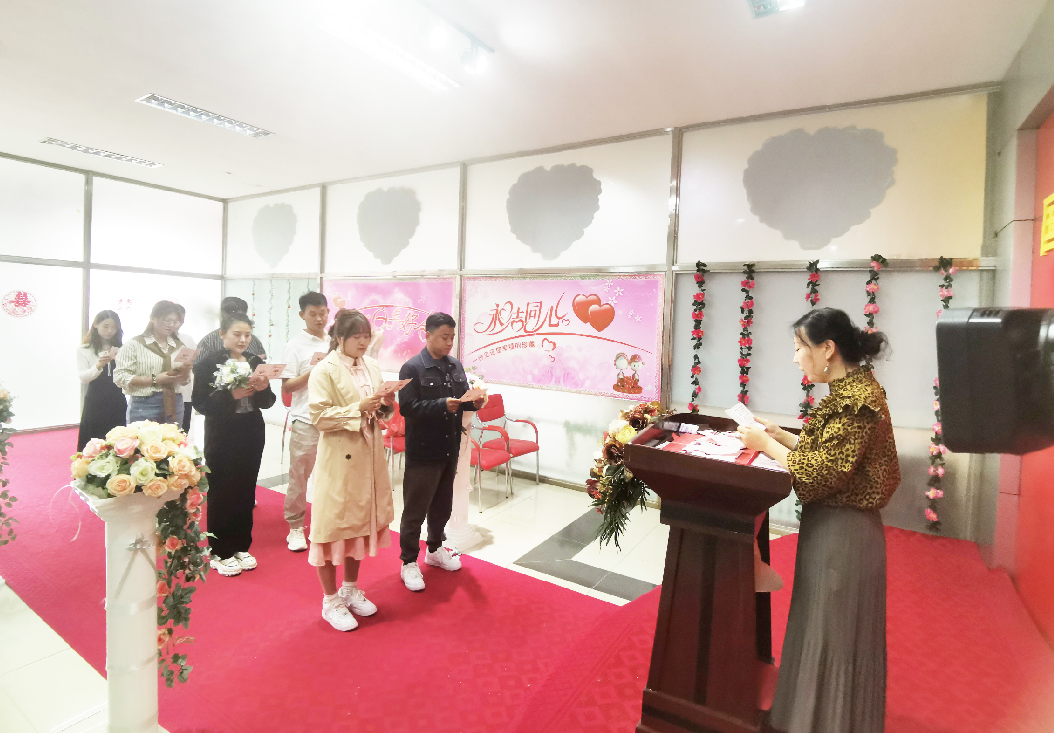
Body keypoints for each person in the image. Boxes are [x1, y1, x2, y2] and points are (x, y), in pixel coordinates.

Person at [736, 307, 899, 733]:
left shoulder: (858, 402)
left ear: (827, 349)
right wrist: (780, 436)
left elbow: (819, 474)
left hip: (845, 533)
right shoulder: (850, 390)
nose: (795, 358)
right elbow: (828, 454)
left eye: (799, 347)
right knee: (821, 625)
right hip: (834, 525)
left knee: (834, 632)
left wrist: (764, 445)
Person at [307, 309, 394, 631]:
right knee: (331, 526)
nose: (363, 342)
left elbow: (379, 409)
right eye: (356, 336)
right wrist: (359, 407)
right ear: (339, 338)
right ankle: (330, 600)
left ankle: (351, 588)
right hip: (338, 458)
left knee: (358, 522)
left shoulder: (371, 365)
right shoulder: (324, 370)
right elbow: (319, 417)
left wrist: (385, 405)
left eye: (366, 336)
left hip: (367, 454)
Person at [397, 312, 485, 592]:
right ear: (428, 335)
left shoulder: (454, 365)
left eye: (452, 337)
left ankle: (435, 549)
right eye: (444, 337)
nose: (449, 343)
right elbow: (407, 408)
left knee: (443, 504)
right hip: (423, 450)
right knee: (415, 508)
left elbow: (462, 400)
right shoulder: (412, 368)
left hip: (450, 447)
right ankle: (408, 561)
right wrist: (440, 405)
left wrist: (474, 403)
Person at [192, 312, 275, 577]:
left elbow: (268, 402)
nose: (242, 340)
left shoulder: (255, 361)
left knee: (245, 488)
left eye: (247, 335)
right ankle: (219, 551)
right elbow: (200, 403)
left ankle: (241, 545)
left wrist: (262, 388)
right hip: (222, 433)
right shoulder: (208, 363)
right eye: (237, 334)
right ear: (223, 335)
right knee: (221, 489)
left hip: (251, 430)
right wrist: (230, 396)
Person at [280, 291, 330, 552]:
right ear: (302, 315)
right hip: (306, 419)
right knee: (299, 476)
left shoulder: (334, 342)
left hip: (332, 418)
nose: (319, 318)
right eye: (313, 314)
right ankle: (296, 527)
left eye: (323, 313)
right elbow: (287, 386)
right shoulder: (294, 346)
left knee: (331, 475)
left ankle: (326, 521)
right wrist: (313, 372)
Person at [113, 301, 192, 425]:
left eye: (175, 322)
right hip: (144, 403)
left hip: (174, 402)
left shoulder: (180, 346)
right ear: (153, 318)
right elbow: (120, 376)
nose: (171, 325)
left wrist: (185, 371)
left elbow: (184, 381)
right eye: (167, 320)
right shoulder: (134, 345)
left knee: (172, 437)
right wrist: (154, 380)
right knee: (143, 437)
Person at [76, 310, 126, 450]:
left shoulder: (122, 349)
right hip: (95, 400)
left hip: (117, 399)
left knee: (118, 439)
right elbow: (84, 378)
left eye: (114, 327)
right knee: (94, 440)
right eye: (105, 326)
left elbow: (128, 376)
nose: (110, 331)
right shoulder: (84, 349)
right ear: (96, 325)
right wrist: (99, 365)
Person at [194, 296, 266, 367]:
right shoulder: (208, 341)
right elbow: (197, 368)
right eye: (236, 334)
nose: (243, 340)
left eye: (241, 316)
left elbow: (263, 364)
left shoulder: (254, 340)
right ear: (222, 315)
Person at [171, 303, 197, 435]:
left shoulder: (187, 339)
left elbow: (195, 360)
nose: (176, 324)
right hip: (163, 394)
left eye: (180, 320)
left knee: (183, 432)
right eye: (172, 320)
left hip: (185, 394)